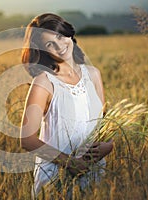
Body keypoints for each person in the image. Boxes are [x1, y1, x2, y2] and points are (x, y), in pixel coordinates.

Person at [20, 13, 113, 198]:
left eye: (60, 37)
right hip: (56, 175)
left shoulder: (93, 74)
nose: (59, 46)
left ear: (69, 34)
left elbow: (105, 123)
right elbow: (27, 139)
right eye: (49, 44)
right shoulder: (44, 82)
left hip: (93, 169)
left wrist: (108, 146)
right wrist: (71, 163)